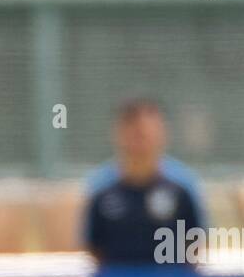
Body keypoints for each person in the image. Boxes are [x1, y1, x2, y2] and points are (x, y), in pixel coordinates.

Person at [83, 98, 206, 267]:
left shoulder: (183, 186)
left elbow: (196, 245)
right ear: (118, 134)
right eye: (134, 133)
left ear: (162, 133)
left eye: (146, 133)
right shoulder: (100, 188)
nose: (140, 141)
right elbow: (93, 249)